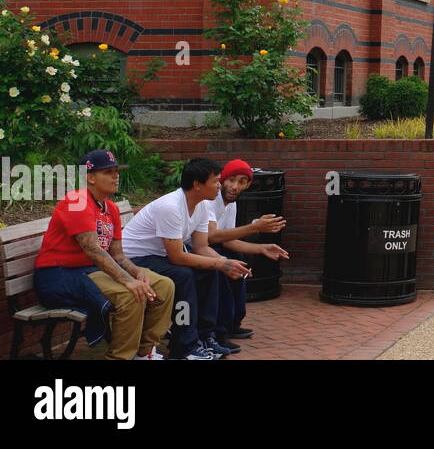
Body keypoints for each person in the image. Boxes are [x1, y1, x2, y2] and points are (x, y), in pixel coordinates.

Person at [33, 150, 176, 360]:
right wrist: (128, 281)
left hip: (90, 270)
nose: (115, 176)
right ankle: (120, 357)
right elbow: (91, 248)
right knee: (130, 296)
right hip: (59, 275)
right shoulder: (76, 201)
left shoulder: (111, 208)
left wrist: (136, 273)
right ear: (90, 177)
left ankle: (143, 353)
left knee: (164, 286)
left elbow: (117, 254)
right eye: (108, 172)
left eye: (116, 171)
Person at [121, 157, 252, 360]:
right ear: (197, 185)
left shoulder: (201, 205)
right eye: (215, 181)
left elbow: (201, 247)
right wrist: (221, 262)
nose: (219, 185)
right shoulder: (171, 206)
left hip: (158, 256)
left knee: (211, 270)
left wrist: (226, 263)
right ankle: (184, 347)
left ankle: (205, 336)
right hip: (134, 258)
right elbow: (177, 257)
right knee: (183, 276)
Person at [205, 160, 289, 348]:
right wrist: (254, 227)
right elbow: (211, 236)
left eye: (242, 181)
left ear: (248, 185)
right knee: (225, 267)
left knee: (240, 261)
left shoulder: (231, 204)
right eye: (231, 180)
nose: (235, 186)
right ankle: (218, 333)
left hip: (210, 246)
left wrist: (262, 248)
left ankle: (232, 324)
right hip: (194, 248)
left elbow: (227, 240)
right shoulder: (210, 198)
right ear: (222, 179)